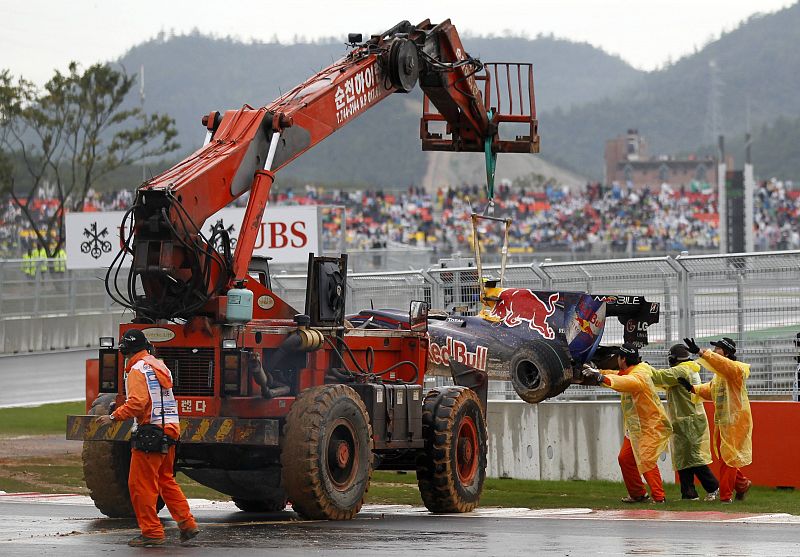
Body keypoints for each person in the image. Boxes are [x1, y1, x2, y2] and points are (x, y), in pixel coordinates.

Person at [95, 329, 199, 546]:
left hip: (150, 432)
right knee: (165, 479)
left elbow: (137, 403)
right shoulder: (160, 365)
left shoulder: (136, 370)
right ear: (146, 346)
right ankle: (187, 524)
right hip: (170, 428)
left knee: (139, 484)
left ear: (124, 350)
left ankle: (151, 532)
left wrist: (114, 416)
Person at [583, 343, 672, 504]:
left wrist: (601, 377)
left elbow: (624, 382)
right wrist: (599, 372)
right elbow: (619, 375)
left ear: (622, 359)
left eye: (618, 357)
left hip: (651, 425)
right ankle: (638, 494)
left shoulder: (639, 377)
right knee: (625, 459)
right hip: (636, 427)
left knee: (646, 459)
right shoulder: (634, 370)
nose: (616, 360)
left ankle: (659, 498)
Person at [680, 337, 753, 504]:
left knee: (728, 459)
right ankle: (742, 484)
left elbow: (723, 364)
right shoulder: (720, 375)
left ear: (726, 352)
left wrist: (701, 352)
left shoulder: (736, 369)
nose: (714, 351)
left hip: (735, 422)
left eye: (718, 348)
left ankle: (725, 497)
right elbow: (711, 390)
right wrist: (692, 388)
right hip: (724, 422)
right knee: (726, 457)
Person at [650, 344, 719, 501]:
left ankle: (713, 486)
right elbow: (663, 382)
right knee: (683, 459)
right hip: (684, 420)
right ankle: (688, 494)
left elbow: (659, 377)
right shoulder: (686, 369)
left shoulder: (682, 370)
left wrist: (643, 369)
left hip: (690, 420)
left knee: (694, 458)